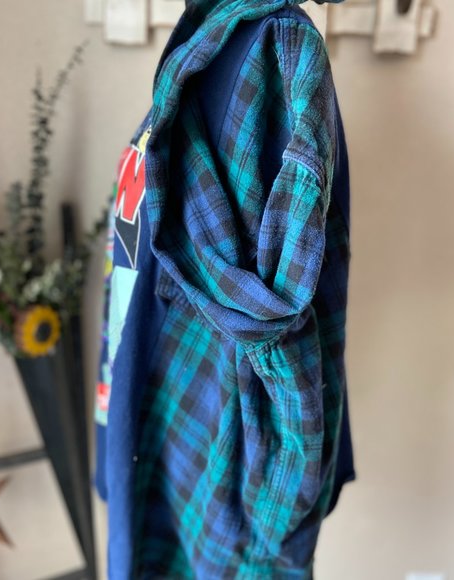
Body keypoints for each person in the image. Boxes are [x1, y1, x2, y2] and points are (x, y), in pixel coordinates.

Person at [94, 1, 354, 577]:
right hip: (163, 439)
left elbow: (280, 330)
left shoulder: (276, 53)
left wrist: (273, 531)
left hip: (219, 498)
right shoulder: (207, 41)